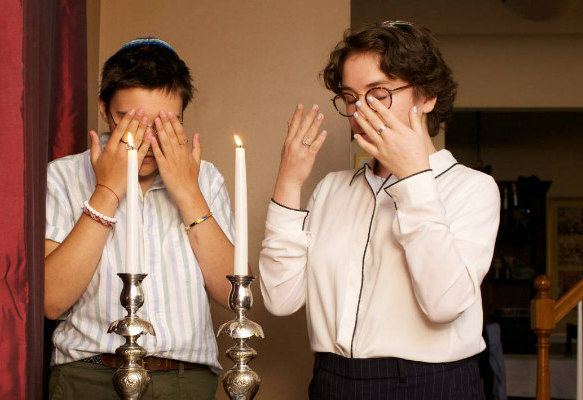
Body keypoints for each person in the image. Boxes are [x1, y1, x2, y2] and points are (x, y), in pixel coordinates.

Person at [259, 22, 500, 399]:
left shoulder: (471, 189)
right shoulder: (331, 190)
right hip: (332, 382)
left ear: (427, 97)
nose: (360, 111)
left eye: (379, 93)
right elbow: (279, 298)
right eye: (351, 97)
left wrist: (413, 178)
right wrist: (288, 183)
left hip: (432, 385)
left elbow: (443, 305)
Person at [45, 37, 235, 400]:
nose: (145, 140)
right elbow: (52, 300)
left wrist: (188, 193)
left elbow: (232, 293)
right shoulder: (64, 176)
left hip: (185, 377)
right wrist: (108, 189)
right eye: (130, 121)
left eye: (164, 124)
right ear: (104, 109)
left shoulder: (205, 178)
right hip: (87, 377)